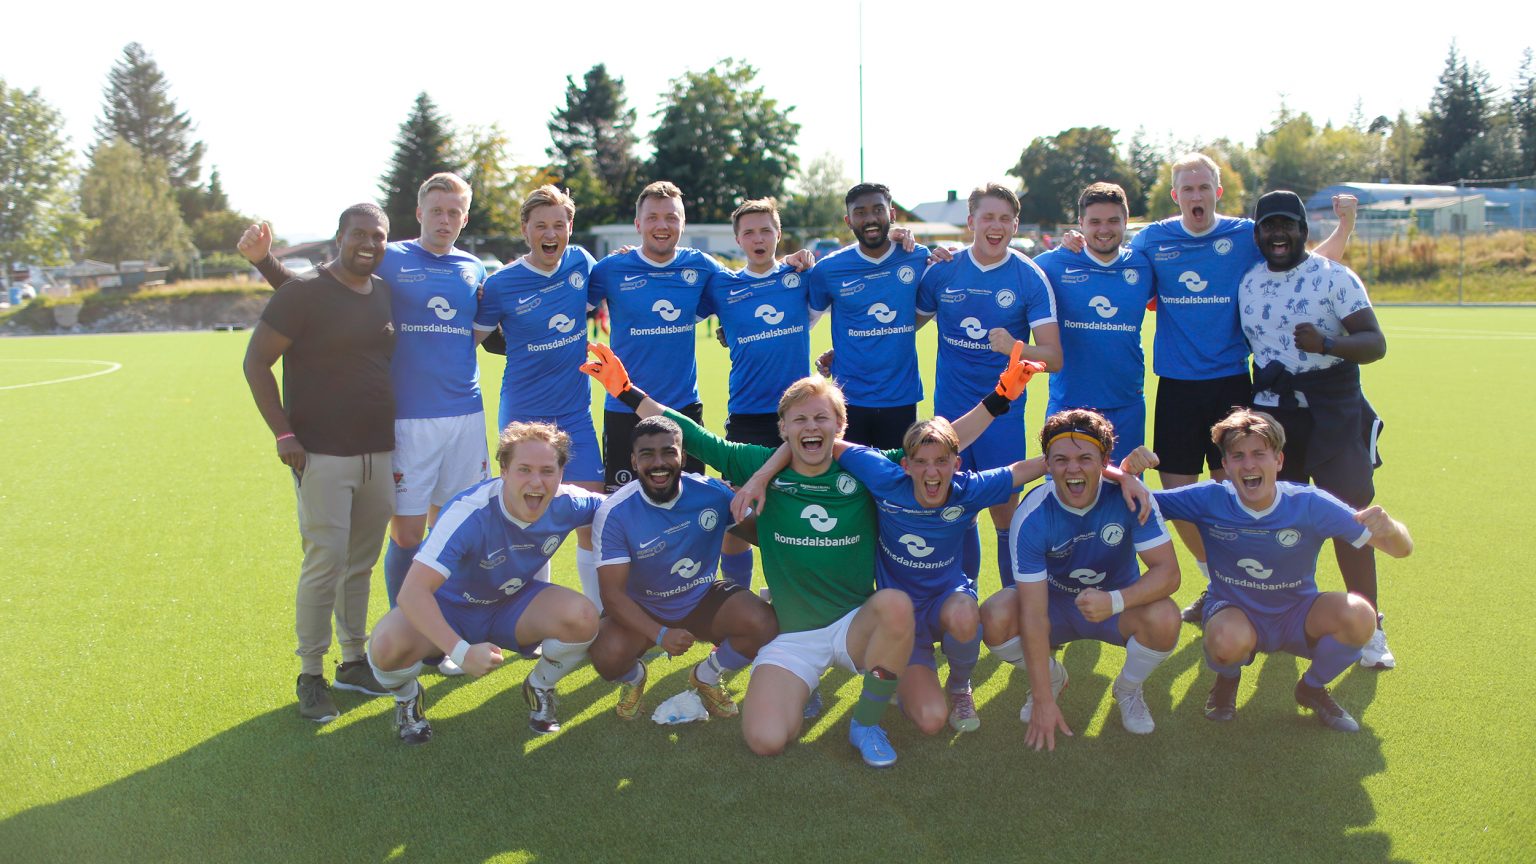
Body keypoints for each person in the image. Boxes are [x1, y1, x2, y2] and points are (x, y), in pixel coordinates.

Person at [582, 341, 1042, 766]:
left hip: (855, 625)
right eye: (799, 419)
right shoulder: (754, 462)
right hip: (794, 634)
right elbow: (693, 436)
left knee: (898, 614)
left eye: (822, 418)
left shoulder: (866, 468)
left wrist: (1001, 397)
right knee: (765, 740)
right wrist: (626, 391)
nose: (811, 427)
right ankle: (808, 685)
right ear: (783, 429)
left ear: (840, 428)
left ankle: (866, 723)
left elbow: (940, 442)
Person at [239, 175, 489, 660]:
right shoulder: (388, 256)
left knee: (455, 534)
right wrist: (265, 262)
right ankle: (409, 634)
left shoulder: (474, 268)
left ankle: (450, 631)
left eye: (454, 211)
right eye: (436, 210)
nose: (445, 220)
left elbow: (481, 329)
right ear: (419, 213)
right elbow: (314, 292)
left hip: (465, 415)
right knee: (406, 535)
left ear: (465, 217)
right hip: (407, 420)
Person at [1125, 154, 1356, 625]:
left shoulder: (1243, 236)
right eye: (1187, 189)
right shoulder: (1153, 240)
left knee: (1235, 493)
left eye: (1203, 187)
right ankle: (1217, 580)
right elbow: (1111, 266)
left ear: (1217, 192)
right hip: (1176, 386)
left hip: (1231, 384)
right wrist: (1074, 244)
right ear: (1175, 195)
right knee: (1179, 497)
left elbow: (1307, 265)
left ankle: (1252, 588)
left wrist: (1345, 226)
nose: (1195, 196)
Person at [1153, 409, 1412, 732]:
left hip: (1297, 613)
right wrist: (1126, 473)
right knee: (1225, 640)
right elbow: (1141, 502)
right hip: (1234, 611)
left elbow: (1400, 549)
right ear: (1226, 465)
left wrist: (1392, 528)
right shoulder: (1209, 498)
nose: (1249, 464)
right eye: (1238, 456)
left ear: (1278, 460)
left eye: (1259, 454)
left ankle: (1312, 688)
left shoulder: (1310, 504)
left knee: (1361, 615)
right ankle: (1226, 681)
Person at [242, 203, 396, 723]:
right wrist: (283, 433)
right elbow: (256, 362)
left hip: (379, 452)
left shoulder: (383, 294)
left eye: (378, 236)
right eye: (359, 234)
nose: (368, 243)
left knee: (361, 564)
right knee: (325, 561)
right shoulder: (302, 292)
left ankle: (353, 662)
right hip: (322, 454)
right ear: (339, 237)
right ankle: (310, 673)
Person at [364, 422, 604, 743]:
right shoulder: (468, 513)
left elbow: (624, 508)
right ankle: (407, 698)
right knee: (385, 646)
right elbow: (412, 593)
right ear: (503, 471)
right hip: (450, 609)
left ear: (561, 473)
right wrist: (460, 652)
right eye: (524, 469)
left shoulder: (570, 502)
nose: (536, 481)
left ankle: (540, 685)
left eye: (548, 471)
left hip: (512, 605)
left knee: (583, 617)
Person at [1239, 190, 1395, 668]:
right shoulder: (1248, 281)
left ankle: (1368, 628)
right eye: (1269, 226)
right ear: (1257, 233)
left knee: (1350, 522)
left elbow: (1375, 343)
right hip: (1273, 417)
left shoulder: (1335, 277)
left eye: (1287, 225)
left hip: (1333, 413)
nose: (1278, 234)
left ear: (1304, 230)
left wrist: (1327, 342)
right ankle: (1277, 618)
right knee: (1275, 522)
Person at [981, 409, 1180, 749]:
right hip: (1055, 606)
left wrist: (1114, 601)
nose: (1072, 469)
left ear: (1104, 461)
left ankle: (1128, 688)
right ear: (1047, 464)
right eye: (1061, 460)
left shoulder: (1131, 498)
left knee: (1166, 617)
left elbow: (1169, 573)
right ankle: (1051, 677)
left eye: (1085, 458)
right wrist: (1043, 698)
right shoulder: (1031, 515)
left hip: (1117, 606)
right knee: (995, 615)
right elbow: (1033, 614)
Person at [915, 183, 1061, 590]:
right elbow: (901, 327)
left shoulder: (1029, 277)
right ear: (971, 222)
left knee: (1004, 513)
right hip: (952, 415)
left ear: (1015, 225)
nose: (996, 226)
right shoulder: (942, 270)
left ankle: (1015, 602)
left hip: (1003, 416)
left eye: (1004, 219)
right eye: (988, 217)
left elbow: (1054, 357)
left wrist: (1016, 347)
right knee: (955, 509)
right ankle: (962, 598)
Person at [588, 416, 779, 720]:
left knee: (764, 624)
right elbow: (612, 596)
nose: (659, 463)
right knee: (606, 654)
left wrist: (764, 503)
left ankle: (707, 675)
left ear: (683, 456)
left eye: (668, 452)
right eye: (647, 454)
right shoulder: (615, 512)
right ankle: (635, 679)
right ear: (634, 461)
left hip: (702, 596)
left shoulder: (712, 493)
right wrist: (660, 634)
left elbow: (767, 539)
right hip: (645, 605)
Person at [474, 185, 603, 605]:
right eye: (541, 225)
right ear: (525, 230)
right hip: (524, 416)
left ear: (570, 227)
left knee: (593, 517)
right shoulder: (500, 284)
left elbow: (614, 288)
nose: (551, 234)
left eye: (559, 225)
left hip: (575, 415)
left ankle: (600, 617)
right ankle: (525, 617)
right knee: (526, 521)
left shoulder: (582, 263)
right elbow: (468, 341)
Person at [588, 181, 730, 492]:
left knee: (689, 503)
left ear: (683, 223)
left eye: (671, 217)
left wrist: (792, 263)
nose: (662, 225)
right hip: (624, 407)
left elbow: (745, 290)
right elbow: (567, 303)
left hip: (683, 410)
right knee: (622, 505)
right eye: (652, 217)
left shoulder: (701, 266)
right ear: (638, 224)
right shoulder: (610, 269)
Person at [1032, 182, 1156, 463]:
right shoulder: (1051, 264)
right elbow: (1005, 269)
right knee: (1066, 483)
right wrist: (949, 257)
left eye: (1113, 220)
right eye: (1095, 222)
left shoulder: (1144, 266)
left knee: (1126, 484)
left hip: (1127, 404)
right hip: (1069, 406)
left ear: (1126, 221)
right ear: (1081, 223)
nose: (1104, 229)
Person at [807, 183, 932, 450]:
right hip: (848, 400)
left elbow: (932, 306)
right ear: (848, 221)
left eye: (878, 210)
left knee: (898, 474)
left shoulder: (918, 257)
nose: (870, 218)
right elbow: (800, 321)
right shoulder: (828, 269)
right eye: (860, 212)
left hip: (901, 398)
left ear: (892, 214)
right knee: (851, 476)